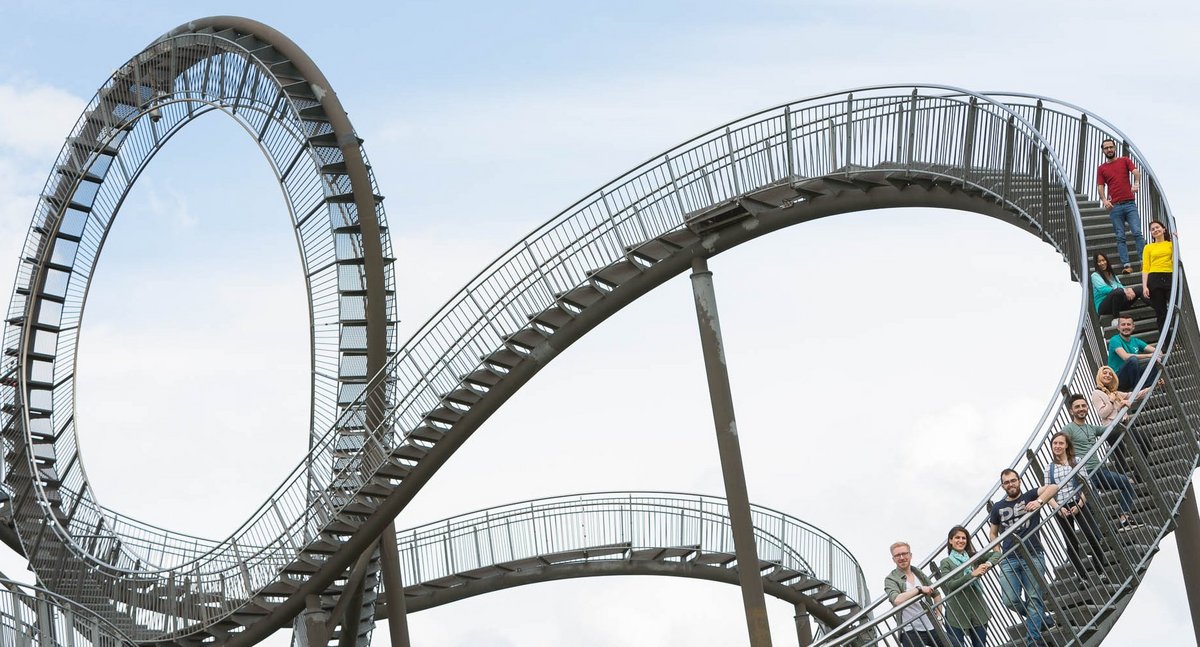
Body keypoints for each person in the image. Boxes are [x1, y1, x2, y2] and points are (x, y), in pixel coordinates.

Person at [988, 469, 1059, 647]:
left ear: (1019, 480)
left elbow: (1054, 487)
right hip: (1009, 559)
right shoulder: (997, 507)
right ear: (1002, 485)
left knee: (1034, 598)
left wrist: (1039, 502)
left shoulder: (1029, 496)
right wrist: (999, 555)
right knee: (1009, 600)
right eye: (1007, 482)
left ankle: (1033, 641)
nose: (1010, 484)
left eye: (1013, 480)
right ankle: (1042, 618)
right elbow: (993, 533)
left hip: (1033, 554)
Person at [1062, 394, 1143, 532]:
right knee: (1096, 506)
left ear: (1087, 407)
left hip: (1099, 471)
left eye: (1083, 406)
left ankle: (1124, 519)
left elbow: (1110, 429)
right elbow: (1062, 448)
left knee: (1127, 483)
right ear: (1071, 411)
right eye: (1077, 407)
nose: (1081, 409)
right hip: (1084, 474)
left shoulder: (1091, 428)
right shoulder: (1068, 429)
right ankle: (1104, 534)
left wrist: (1121, 411)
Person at [1045, 432, 1107, 583]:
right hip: (1060, 507)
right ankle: (1081, 577)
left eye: (1060, 443)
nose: (1057, 446)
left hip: (1078, 502)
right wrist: (1058, 508)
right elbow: (1047, 493)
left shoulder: (1076, 461)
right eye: (1055, 444)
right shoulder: (1049, 468)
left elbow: (1086, 485)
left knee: (1091, 535)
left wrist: (1080, 504)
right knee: (1071, 543)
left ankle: (1100, 571)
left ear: (1066, 445)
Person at [937, 526, 1000, 647]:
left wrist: (987, 564)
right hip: (957, 611)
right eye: (957, 538)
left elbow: (997, 554)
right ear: (950, 540)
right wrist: (972, 575)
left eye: (963, 538)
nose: (961, 541)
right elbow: (950, 584)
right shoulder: (946, 562)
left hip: (977, 608)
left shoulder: (974, 557)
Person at [1096, 138, 1144, 273]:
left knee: (1137, 232)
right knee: (1120, 236)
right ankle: (1127, 265)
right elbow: (1100, 186)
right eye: (1106, 148)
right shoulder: (1102, 168)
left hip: (1129, 204)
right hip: (1115, 207)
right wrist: (1104, 200)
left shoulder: (1124, 160)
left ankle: (1143, 262)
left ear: (1115, 148)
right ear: (1103, 150)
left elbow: (1136, 172)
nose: (1109, 150)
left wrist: (1136, 183)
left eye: (1111, 147)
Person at [884, 541, 943, 646]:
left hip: (931, 625)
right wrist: (919, 589)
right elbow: (897, 600)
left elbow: (936, 594)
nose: (901, 557)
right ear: (893, 559)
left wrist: (938, 617)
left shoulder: (917, 572)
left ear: (910, 555)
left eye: (904, 553)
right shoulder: (891, 579)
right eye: (897, 555)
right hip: (910, 630)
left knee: (954, 644)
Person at [1106, 314, 1157, 391]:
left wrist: (1158, 354)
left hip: (1133, 376)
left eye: (1128, 324)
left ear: (1133, 327)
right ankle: (1137, 391)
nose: (1126, 327)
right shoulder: (1114, 340)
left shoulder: (1135, 341)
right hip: (1118, 379)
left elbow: (1156, 350)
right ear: (1118, 327)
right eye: (1123, 324)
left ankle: (1145, 390)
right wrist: (1149, 355)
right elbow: (1125, 357)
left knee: (1154, 364)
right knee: (1132, 360)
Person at [1141, 219, 1174, 333]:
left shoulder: (1171, 244)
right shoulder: (1148, 247)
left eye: (1157, 227)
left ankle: (1176, 335)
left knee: (1174, 306)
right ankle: (1166, 342)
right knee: (1161, 313)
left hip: (1169, 276)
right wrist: (1144, 286)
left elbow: (1175, 260)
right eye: (1152, 229)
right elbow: (1145, 268)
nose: (1155, 230)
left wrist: (1176, 240)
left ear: (1164, 229)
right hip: (1154, 278)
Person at [1090, 252, 1143, 324]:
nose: (1102, 263)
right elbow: (1103, 289)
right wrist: (1123, 291)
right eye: (1099, 261)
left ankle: (1157, 307)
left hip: (1118, 302)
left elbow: (1120, 286)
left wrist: (1128, 290)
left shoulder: (1112, 274)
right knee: (1118, 292)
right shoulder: (1095, 276)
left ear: (1107, 261)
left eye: (1103, 260)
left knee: (1139, 289)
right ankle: (1116, 318)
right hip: (1103, 307)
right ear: (1096, 264)